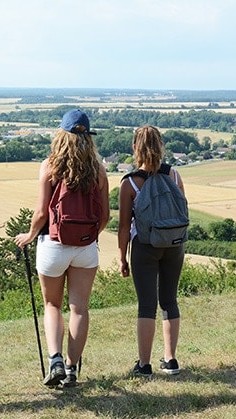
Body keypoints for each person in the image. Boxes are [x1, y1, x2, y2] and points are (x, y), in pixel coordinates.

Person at [15, 109, 110, 388]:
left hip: (53, 245)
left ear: (61, 135)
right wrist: (88, 236)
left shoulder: (50, 166)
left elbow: (42, 213)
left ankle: (55, 358)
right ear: (88, 138)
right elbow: (105, 216)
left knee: (52, 304)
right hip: (86, 248)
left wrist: (30, 236)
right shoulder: (99, 170)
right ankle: (71, 370)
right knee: (79, 308)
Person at [117, 125, 185, 378]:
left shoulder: (130, 184)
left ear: (135, 148)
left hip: (145, 247)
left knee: (147, 305)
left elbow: (124, 226)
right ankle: (171, 360)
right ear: (160, 146)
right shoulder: (175, 176)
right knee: (169, 300)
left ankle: (144, 364)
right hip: (174, 245)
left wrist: (122, 257)